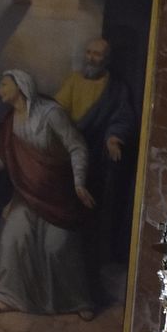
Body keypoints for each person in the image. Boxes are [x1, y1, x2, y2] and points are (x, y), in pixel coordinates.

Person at [0, 69, 97, 318]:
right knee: (12, 239)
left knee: (56, 248)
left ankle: (77, 301)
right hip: (27, 196)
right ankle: (7, 297)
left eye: (4, 85)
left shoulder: (51, 114)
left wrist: (79, 184)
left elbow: (77, 147)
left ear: (20, 86)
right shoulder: (10, 122)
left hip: (59, 196)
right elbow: (3, 159)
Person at [55, 36, 137, 288]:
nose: (91, 57)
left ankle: (88, 271)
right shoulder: (73, 80)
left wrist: (114, 138)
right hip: (70, 152)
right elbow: (58, 112)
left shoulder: (116, 88)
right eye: (89, 52)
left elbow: (122, 117)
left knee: (92, 216)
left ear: (106, 59)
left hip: (98, 160)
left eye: (97, 54)